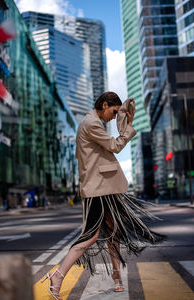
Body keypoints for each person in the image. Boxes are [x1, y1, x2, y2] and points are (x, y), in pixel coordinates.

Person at [42, 91, 166, 300]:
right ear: (105, 104)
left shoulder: (91, 122)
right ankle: (58, 276)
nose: (113, 117)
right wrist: (127, 130)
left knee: (113, 231)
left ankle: (117, 275)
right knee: (90, 236)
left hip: (105, 187)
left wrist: (124, 121)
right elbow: (115, 146)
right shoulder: (92, 123)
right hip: (97, 189)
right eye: (114, 112)